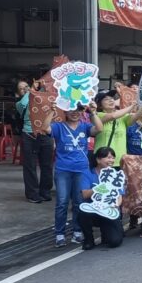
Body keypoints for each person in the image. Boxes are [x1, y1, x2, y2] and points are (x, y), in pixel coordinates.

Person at [51, 103, 104, 247]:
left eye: (79, 110)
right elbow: (45, 129)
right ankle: (60, 234)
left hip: (81, 169)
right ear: (65, 111)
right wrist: (51, 111)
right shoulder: (58, 126)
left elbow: (99, 128)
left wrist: (93, 112)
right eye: (71, 110)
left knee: (79, 202)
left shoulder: (85, 126)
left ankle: (77, 231)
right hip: (63, 169)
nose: (75, 112)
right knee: (62, 202)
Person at [77, 147, 125, 250]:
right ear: (98, 160)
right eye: (108, 157)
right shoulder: (88, 173)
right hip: (94, 210)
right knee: (82, 210)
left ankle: (106, 232)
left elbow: (119, 196)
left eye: (113, 158)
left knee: (114, 241)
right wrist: (99, 188)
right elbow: (85, 194)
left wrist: (115, 205)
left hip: (109, 211)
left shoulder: (116, 175)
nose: (111, 160)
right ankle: (89, 239)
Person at [15, 80, 53, 203]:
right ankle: (32, 194)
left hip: (45, 135)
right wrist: (31, 90)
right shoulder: (20, 103)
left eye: (26, 86)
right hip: (29, 135)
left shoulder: (43, 98)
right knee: (30, 166)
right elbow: (25, 102)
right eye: (21, 89)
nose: (25, 89)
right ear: (18, 93)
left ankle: (45, 191)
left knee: (47, 165)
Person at [93, 90, 138, 166]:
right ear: (100, 105)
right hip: (102, 159)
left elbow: (136, 117)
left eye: (112, 98)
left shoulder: (122, 116)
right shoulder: (97, 115)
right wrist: (131, 106)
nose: (111, 100)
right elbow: (113, 116)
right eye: (106, 99)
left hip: (120, 159)